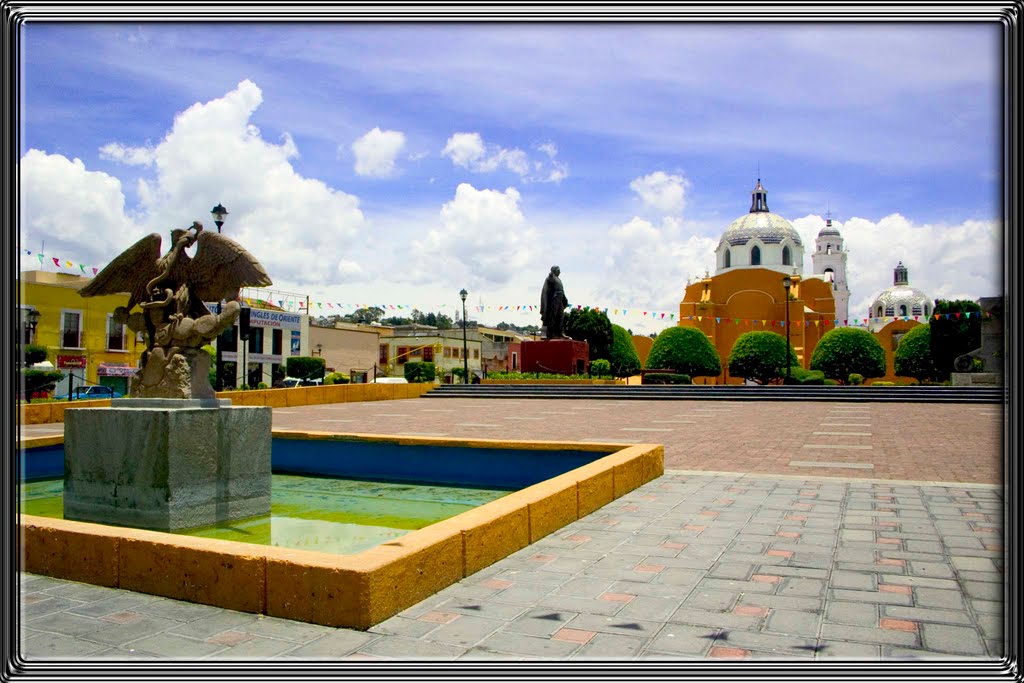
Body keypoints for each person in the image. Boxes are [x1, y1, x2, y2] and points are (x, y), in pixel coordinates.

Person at [540, 265, 570, 339]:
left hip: (560, 299)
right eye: (558, 270)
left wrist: (565, 299)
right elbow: (546, 291)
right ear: (554, 270)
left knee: (560, 316)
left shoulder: (559, 279)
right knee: (552, 316)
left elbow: (562, 291)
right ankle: (550, 333)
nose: (559, 272)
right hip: (553, 300)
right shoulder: (550, 278)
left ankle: (560, 333)